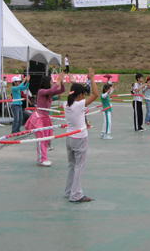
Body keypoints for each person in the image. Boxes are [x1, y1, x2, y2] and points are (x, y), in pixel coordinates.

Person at [64, 67, 98, 203]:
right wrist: (92, 79)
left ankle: (69, 191)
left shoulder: (66, 104)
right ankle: (76, 194)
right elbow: (95, 95)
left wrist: (73, 81)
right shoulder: (78, 105)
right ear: (79, 96)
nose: (85, 96)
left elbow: (75, 91)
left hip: (69, 138)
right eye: (83, 94)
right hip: (79, 138)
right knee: (79, 166)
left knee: (72, 165)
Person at [25, 72, 66, 167]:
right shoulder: (41, 91)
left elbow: (62, 90)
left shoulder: (50, 93)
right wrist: (58, 81)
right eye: (51, 81)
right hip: (39, 117)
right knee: (41, 139)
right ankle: (41, 160)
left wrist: (62, 81)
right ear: (47, 82)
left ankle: (44, 157)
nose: (53, 82)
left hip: (46, 118)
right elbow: (52, 90)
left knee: (47, 138)